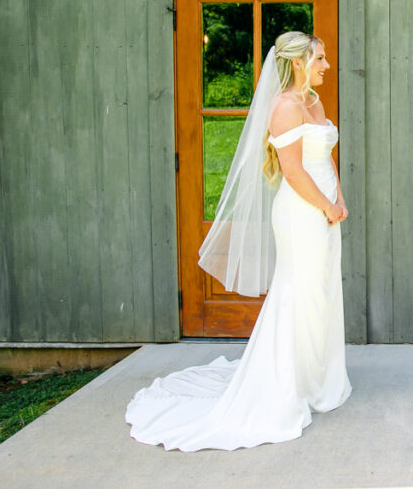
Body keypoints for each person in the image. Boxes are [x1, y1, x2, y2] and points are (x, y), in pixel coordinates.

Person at [126, 31, 352, 451]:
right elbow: (295, 172)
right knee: (297, 292)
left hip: (325, 209)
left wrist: (339, 198)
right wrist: (324, 206)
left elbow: (324, 159)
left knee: (320, 294)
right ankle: (287, 383)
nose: (325, 65)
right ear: (298, 62)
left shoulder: (313, 102)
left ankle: (316, 377)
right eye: (318, 59)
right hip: (301, 213)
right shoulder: (285, 107)